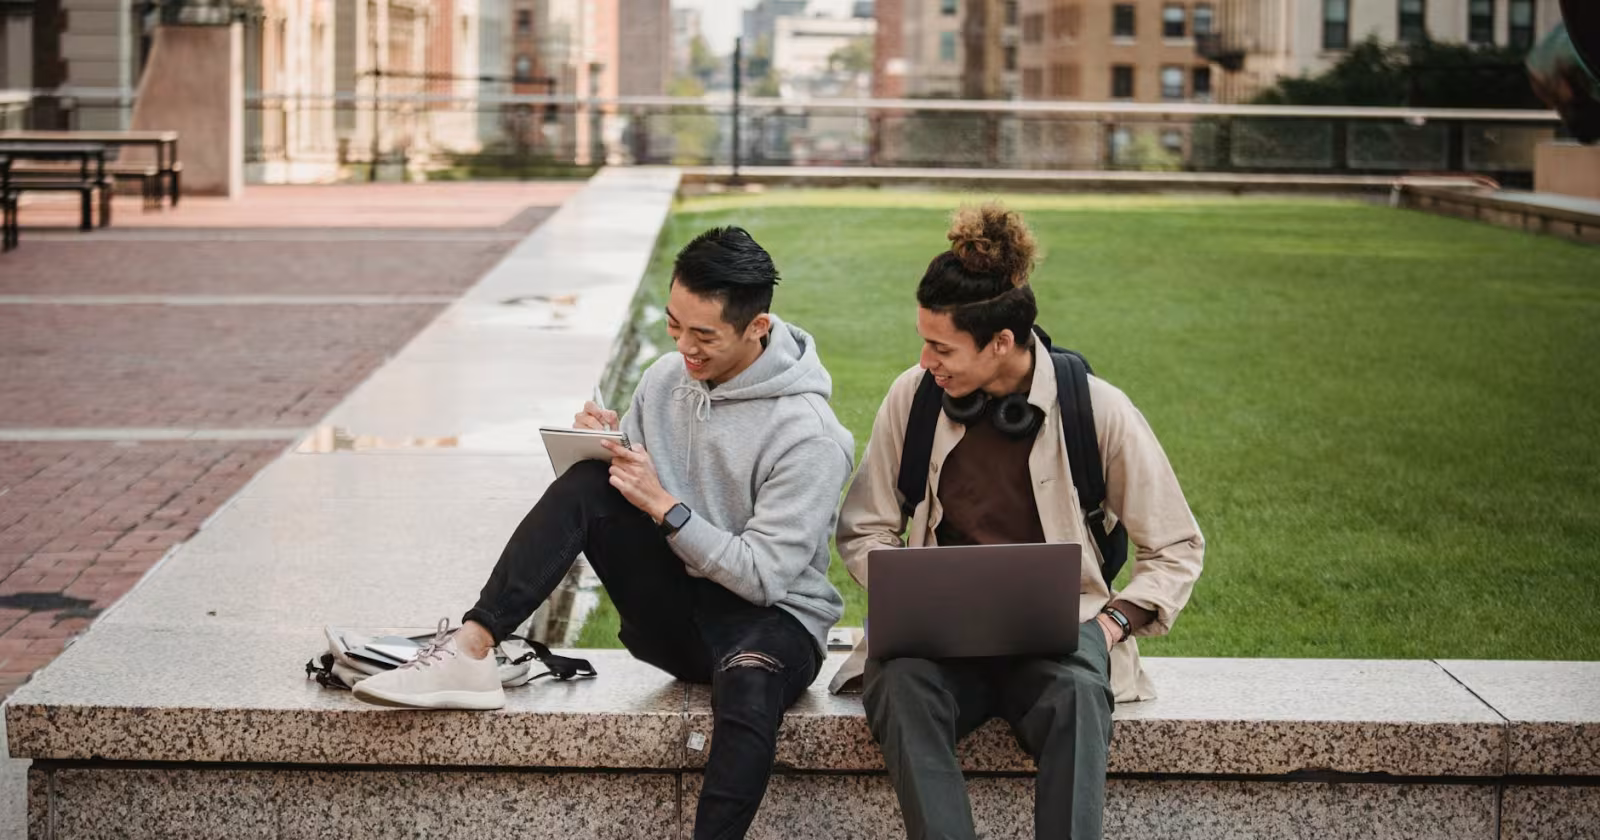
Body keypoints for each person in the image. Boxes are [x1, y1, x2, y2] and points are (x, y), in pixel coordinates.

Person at [354, 226, 856, 840]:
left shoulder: (810, 435)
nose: (684, 349)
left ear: (758, 327)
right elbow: (622, 498)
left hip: (773, 629)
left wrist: (669, 509)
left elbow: (763, 577)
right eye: (675, 326)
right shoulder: (665, 379)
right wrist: (607, 445)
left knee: (748, 684)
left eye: (704, 336)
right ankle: (472, 646)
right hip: (677, 621)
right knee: (589, 484)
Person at [828, 204, 1205, 840]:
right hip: (938, 647)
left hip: (1062, 644)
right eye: (923, 341)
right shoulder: (912, 399)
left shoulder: (1098, 410)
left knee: (1080, 700)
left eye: (942, 346)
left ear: (1002, 341)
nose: (925, 360)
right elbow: (864, 527)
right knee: (898, 684)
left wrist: (1110, 625)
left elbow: (1176, 546)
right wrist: (911, 591)